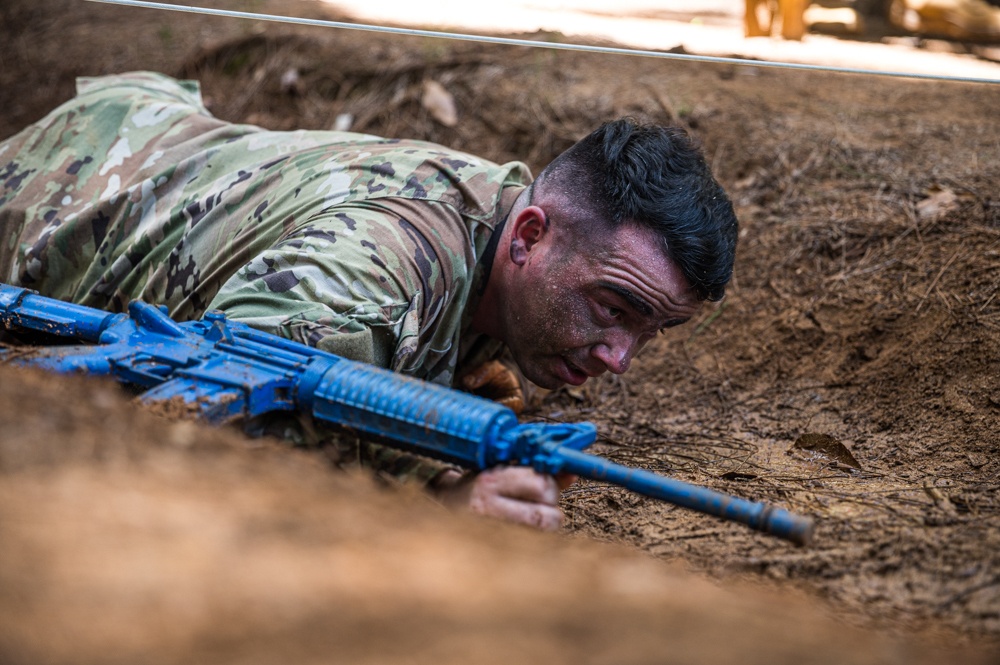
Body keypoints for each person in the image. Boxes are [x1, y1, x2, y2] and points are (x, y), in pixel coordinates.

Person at [0, 71, 739, 531]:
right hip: (55, 195)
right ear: (530, 237)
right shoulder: (368, 276)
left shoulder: (515, 214)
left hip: (155, 146)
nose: (619, 358)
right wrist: (429, 504)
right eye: (613, 308)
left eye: (653, 330)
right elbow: (215, 431)